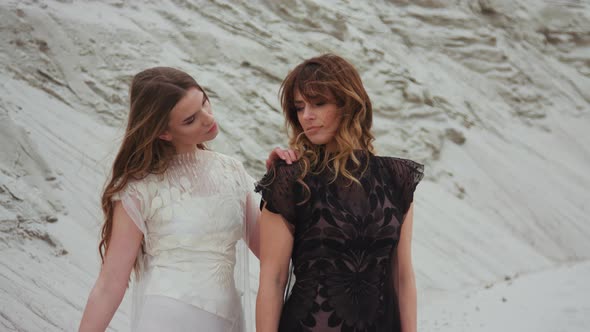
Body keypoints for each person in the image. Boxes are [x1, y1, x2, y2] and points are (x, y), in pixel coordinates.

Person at [79, 67, 296, 331]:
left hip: (225, 321)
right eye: (190, 120)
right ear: (164, 133)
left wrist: (282, 178)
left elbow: (275, 253)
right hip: (167, 318)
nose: (207, 118)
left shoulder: (232, 172)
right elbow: (110, 283)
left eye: (204, 102)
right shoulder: (139, 188)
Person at [255, 54, 424, 332]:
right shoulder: (290, 180)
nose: (307, 116)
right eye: (299, 107)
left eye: (319, 103)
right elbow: (273, 280)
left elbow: (402, 275)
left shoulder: (397, 178)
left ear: (349, 104)